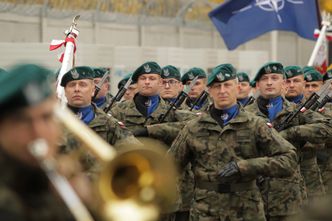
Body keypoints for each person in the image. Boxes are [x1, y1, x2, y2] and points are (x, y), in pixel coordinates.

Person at [169, 63, 297, 221]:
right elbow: (170, 165)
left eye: (227, 85)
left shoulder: (254, 124)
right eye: (216, 86)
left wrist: (247, 166)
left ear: (236, 87)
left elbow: (289, 159)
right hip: (205, 210)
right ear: (209, 91)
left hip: (246, 209)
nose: (222, 91)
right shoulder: (194, 127)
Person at [245, 62, 332, 221]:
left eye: (275, 78)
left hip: (289, 197)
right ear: (257, 85)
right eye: (264, 79)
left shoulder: (295, 111)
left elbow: (328, 126)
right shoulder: (244, 114)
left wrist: (292, 132)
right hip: (252, 197)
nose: (269, 82)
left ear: (283, 83)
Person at [0, 64, 82, 220]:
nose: (39, 132)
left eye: (46, 117)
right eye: (23, 120)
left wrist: (91, 205)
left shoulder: (52, 175)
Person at [60, 66, 139, 176]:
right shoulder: (53, 123)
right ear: (65, 91)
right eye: (72, 85)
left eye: (82, 84)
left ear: (93, 90)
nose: (77, 89)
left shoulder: (109, 123)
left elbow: (135, 151)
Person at [284, 65, 326, 200]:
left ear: (302, 83)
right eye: (287, 81)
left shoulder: (312, 107)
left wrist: (294, 132)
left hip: (309, 174)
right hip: (282, 180)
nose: (291, 85)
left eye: (295, 81)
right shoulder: (275, 108)